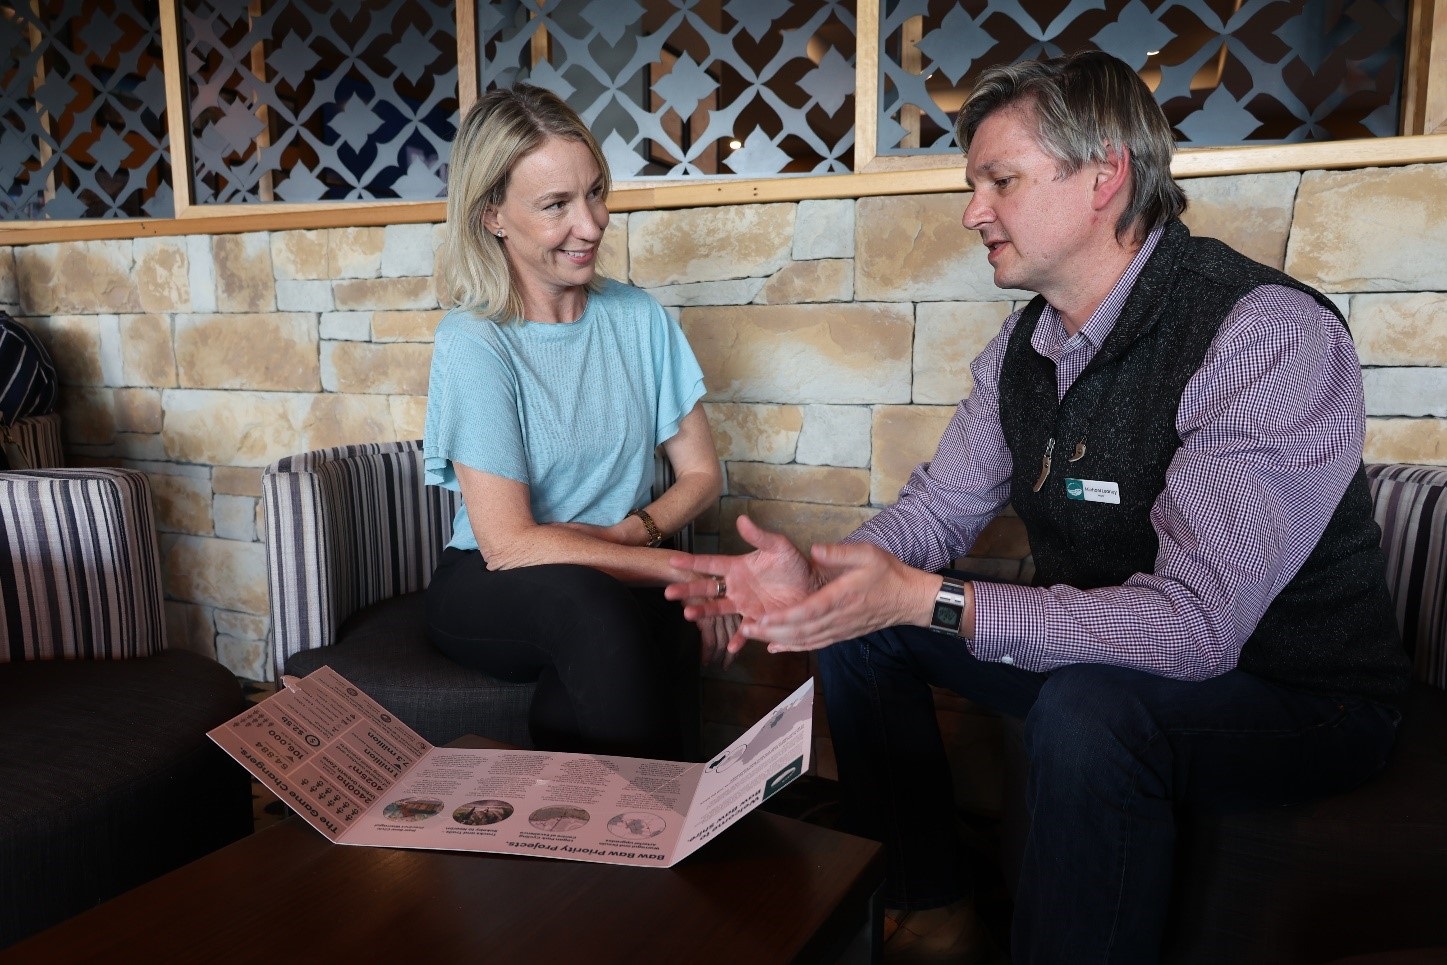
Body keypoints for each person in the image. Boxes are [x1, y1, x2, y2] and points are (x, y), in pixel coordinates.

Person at [667, 50, 1410, 963]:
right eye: (973, 183)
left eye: (1001, 181)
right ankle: (926, 905)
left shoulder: (1262, 333)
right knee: (858, 624)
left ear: (1105, 175)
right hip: (1104, 649)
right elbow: (936, 512)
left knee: (1088, 711)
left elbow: (1194, 632)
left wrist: (927, 597)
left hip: (1295, 691)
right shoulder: (1022, 346)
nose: (973, 211)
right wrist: (820, 578)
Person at [425, 83, 734, 761]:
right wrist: (680, 566)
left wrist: (635, 534)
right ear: (492, 217)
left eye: (594, 192)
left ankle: (589, 839)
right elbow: (507, 544)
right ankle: (657, 835)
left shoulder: (638, 317)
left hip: (608, 568)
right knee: (594, 607)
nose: (591, 224)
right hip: (489, 579)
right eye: (556, 205)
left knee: (656, 623)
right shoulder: (475, 339)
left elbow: (702, 471)